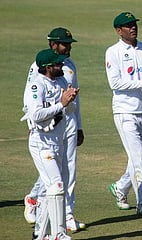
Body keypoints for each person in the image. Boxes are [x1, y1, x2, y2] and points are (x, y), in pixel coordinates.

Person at [22, 27, 86, 232]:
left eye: (69, 44)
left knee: (69, 170)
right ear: (53, 45)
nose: (68, 48)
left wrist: (79, 126)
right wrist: (34, 125)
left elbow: (72, 99)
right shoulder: (38, 68)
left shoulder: (69, 67)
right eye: (64, 44)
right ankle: (38, 203)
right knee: (56, 178)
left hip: (67, 123)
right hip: (46, 126)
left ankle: (67, 214)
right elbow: (34, 104)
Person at [105, 11, 142, 216]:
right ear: (119, 31)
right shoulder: (113, 52)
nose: (133, 28)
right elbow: (115, 83)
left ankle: (120, 188)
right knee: (137, 158)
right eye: (128, 25)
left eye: (134, 24)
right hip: (124, 111)